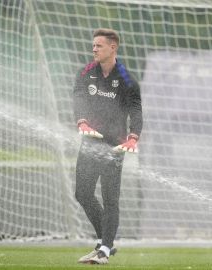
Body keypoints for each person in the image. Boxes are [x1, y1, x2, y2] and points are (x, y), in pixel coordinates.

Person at [72, 28, 143, 265]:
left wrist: (133, 137)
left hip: (114, 147)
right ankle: (107, 241)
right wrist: (81, 121)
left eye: (99, 45)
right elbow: (78, 95)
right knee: (82, 193)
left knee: (110, 198)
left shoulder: (127, 79)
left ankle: (104, 248)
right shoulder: (86, 72)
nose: (94, 49)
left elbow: (135, 110)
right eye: (93, 45)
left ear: (113, 48)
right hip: (90, 143)